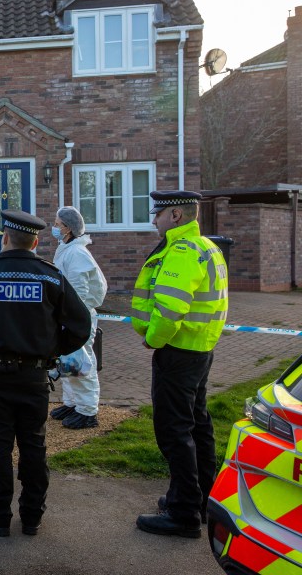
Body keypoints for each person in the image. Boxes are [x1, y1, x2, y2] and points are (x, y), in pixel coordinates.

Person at [0, 209, 92, 537]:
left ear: (5, 238)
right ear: (36, 241)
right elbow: (81, 325)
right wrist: (53, 349)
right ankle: (32, 516)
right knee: (33, 444)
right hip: (34, 377)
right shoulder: (51, 277)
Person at [132, 190, 228, 539]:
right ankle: (200, 499)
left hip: (177, 350)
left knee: (174, 430)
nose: (152, 220)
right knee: (198, 425)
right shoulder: (208, 246)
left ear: (175, 215)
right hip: (199, 349)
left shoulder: (183, 251)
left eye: (156, 213)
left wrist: (153, 338)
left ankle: (183, 512)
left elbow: (171, 308)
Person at [49, 206, 108, 429]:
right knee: (68, 361)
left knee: (81, 363)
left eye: (57, 224)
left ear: (68, 228)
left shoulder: (76, 253)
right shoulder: (67, 249)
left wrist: (70, 317)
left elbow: (79, 291)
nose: (54, 228)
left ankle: (88, 411)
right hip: (68, 317)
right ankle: (72, 403)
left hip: (77, 317)